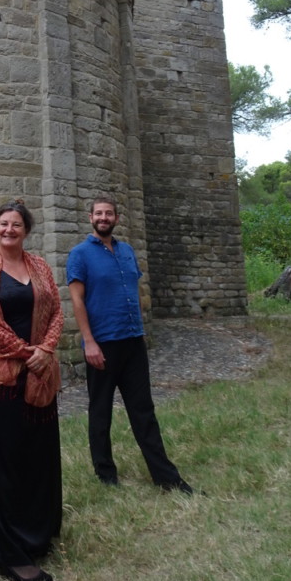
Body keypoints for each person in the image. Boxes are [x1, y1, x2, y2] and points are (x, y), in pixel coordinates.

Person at [66, 194, 194, 493]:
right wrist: (89, 343)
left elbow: (133, 292)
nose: (104, 218)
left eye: (109, 213)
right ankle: (106, 475)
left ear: (116, 219)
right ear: (91, 218)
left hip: (132, 342)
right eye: (98, 213)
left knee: (144, 411)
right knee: (101, 413)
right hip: (102, 344)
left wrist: (140, 328)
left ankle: (167, 478)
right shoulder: (80, 254)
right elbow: (77, 301)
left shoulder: (127, 252)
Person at [0, 199, 63, 581]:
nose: (9, 230)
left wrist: (46, 350)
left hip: (41, 374)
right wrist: (27, 353)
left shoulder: (39, 266)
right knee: (4, 460)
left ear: (26, 230)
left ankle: (36, 535)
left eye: (16, 225)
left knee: (37, 455)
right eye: (3, 224)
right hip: (3, 376)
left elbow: (56, 311)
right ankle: (5, 546)